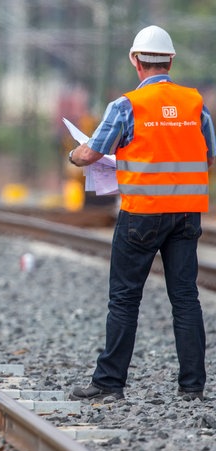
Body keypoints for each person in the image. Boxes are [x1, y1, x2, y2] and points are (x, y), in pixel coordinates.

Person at [68, 25, 216, 402]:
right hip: (185, 214)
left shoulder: (126, 106)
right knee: (185, 298)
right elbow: (209, 157)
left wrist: (73, 155)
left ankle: (109, 384)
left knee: (124, 299)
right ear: (170, 60)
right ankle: (192, 387)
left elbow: (91, 153)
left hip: (141, 215)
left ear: (135, 61)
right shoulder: (195, 105)